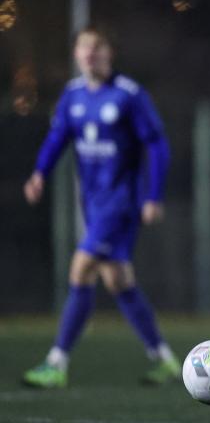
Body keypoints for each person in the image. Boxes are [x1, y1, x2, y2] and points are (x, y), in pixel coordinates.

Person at [22, 26, 179, 388]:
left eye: (97, 48)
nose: (91, 55)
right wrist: (39, 173)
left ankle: (56, 363)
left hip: (121, 201)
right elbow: (59, 136)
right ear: (76, 55)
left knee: (81, 269)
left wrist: (153, 195)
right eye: (84, 49)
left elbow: (157, 146)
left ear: (110, 53)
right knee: (118, 280)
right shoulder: (73, 95)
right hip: (92, 203)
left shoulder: (128, 95)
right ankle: (165, 360)